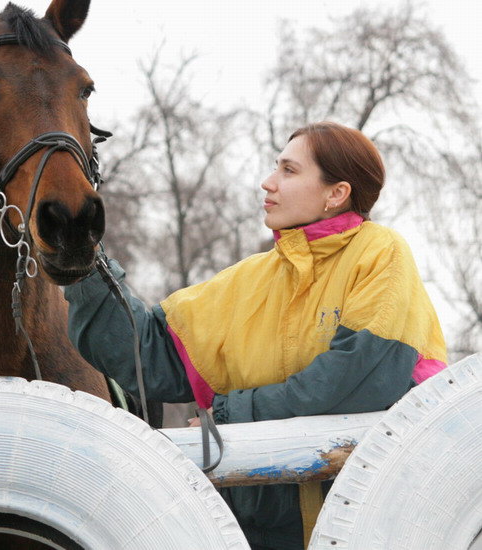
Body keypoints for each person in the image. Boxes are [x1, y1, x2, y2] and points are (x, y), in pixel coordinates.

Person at [64, 121, 448, 550]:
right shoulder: (249, 277)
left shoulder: (382, 254)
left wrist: (229, 417)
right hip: (255, 530)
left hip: (369, 526)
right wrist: (84, 264)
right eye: (275, 168)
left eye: (289, 170)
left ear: (335, 194)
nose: (269, 182)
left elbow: (354, 381)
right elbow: (152, 353)